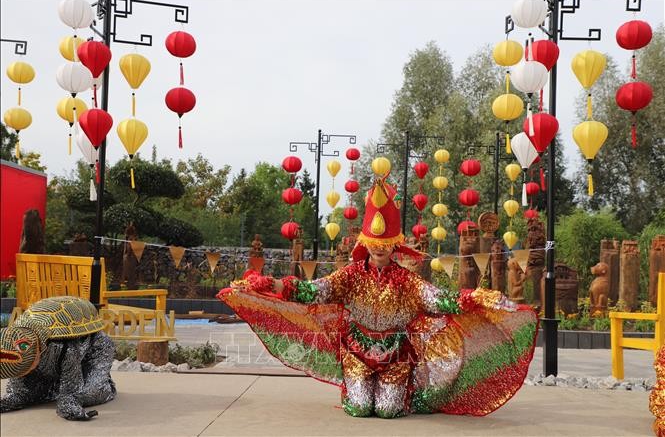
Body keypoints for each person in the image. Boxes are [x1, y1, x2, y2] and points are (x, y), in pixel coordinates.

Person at [217, 169, 537, 419]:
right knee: (359, 409)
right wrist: (269, 285)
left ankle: (404, 393)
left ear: (393, 245)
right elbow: (312, 290)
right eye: (376, 244)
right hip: (357, 351)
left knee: (387, 411)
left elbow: (439, 299)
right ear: (366, 244)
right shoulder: (351, 276)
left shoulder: (406, 280)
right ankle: (356, 389)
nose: (381, 249)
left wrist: (477, 297)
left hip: (396, 355)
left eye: (386, 244)